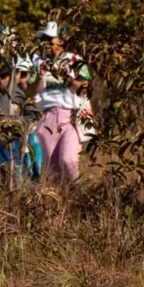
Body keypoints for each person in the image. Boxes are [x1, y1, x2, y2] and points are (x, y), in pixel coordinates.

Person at [34, 22, 87, 184]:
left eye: (51, 40)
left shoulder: (75, 60)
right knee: (53, 174)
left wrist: (68, 78)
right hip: (46, 120)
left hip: (69, 118)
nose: (47, 44)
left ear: (61, 41)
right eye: (45, 40)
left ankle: (79, 197)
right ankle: (64, 206)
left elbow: (85, 88)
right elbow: (30, 92)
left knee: (69, 161)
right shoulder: (38, 62)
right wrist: (40, 76)